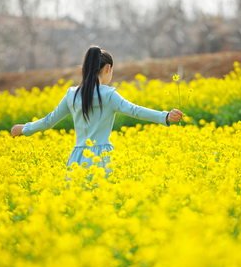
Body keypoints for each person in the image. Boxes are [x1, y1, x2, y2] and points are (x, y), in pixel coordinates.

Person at [11, 46, 183, 180]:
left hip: (77, 159)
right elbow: (135, 111)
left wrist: (25, 128)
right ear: (108, 68)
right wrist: (165, 116)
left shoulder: (72, 94)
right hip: (101, 159)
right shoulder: (108, 95)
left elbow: (49, 121)